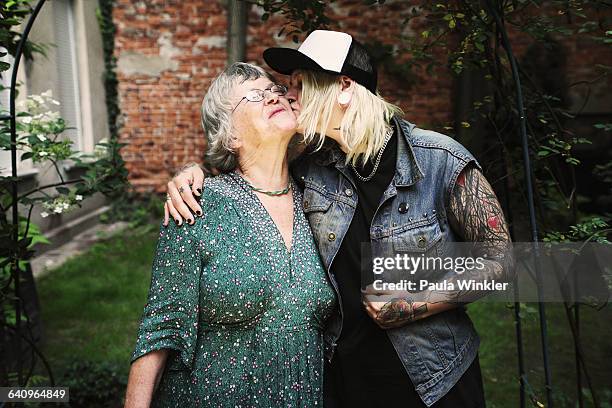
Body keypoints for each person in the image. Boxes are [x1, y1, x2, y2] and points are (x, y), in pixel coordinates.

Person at [165, 30, 514, 407]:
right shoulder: (312, 171)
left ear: (345, 87)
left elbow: (503, 262)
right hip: (346, 383)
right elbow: (253, 177)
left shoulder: (439, 161)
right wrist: (191, 173)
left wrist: (416, 301)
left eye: (301, 85)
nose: (288, 96)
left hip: (437, 383)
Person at [125, 62, 336, 407]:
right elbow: (161, 328)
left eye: (273, 90)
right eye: (255, 96)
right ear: (231, 136)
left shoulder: (322, 202)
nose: (272, 97)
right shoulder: (196, 204)